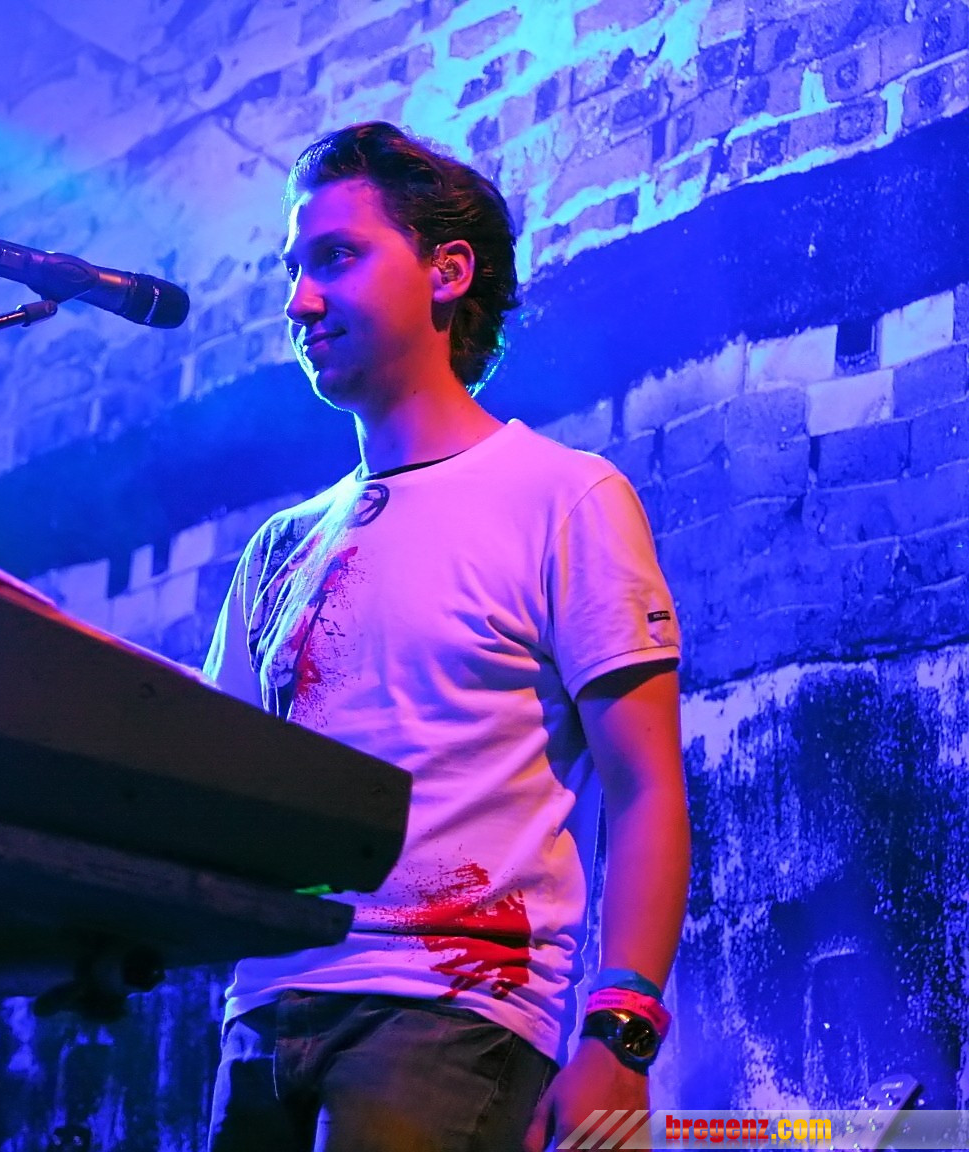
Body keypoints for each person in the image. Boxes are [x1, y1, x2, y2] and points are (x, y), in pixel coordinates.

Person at [202, 121, 690, 1152]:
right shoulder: (278, 548)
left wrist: (620, 1037)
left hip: (448, 1018)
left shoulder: (563, 498)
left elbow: (646, 788)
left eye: (336, 256)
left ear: (447, 270)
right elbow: (212, 792)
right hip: (258, 1022)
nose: (300, 300)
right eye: (293, 269)